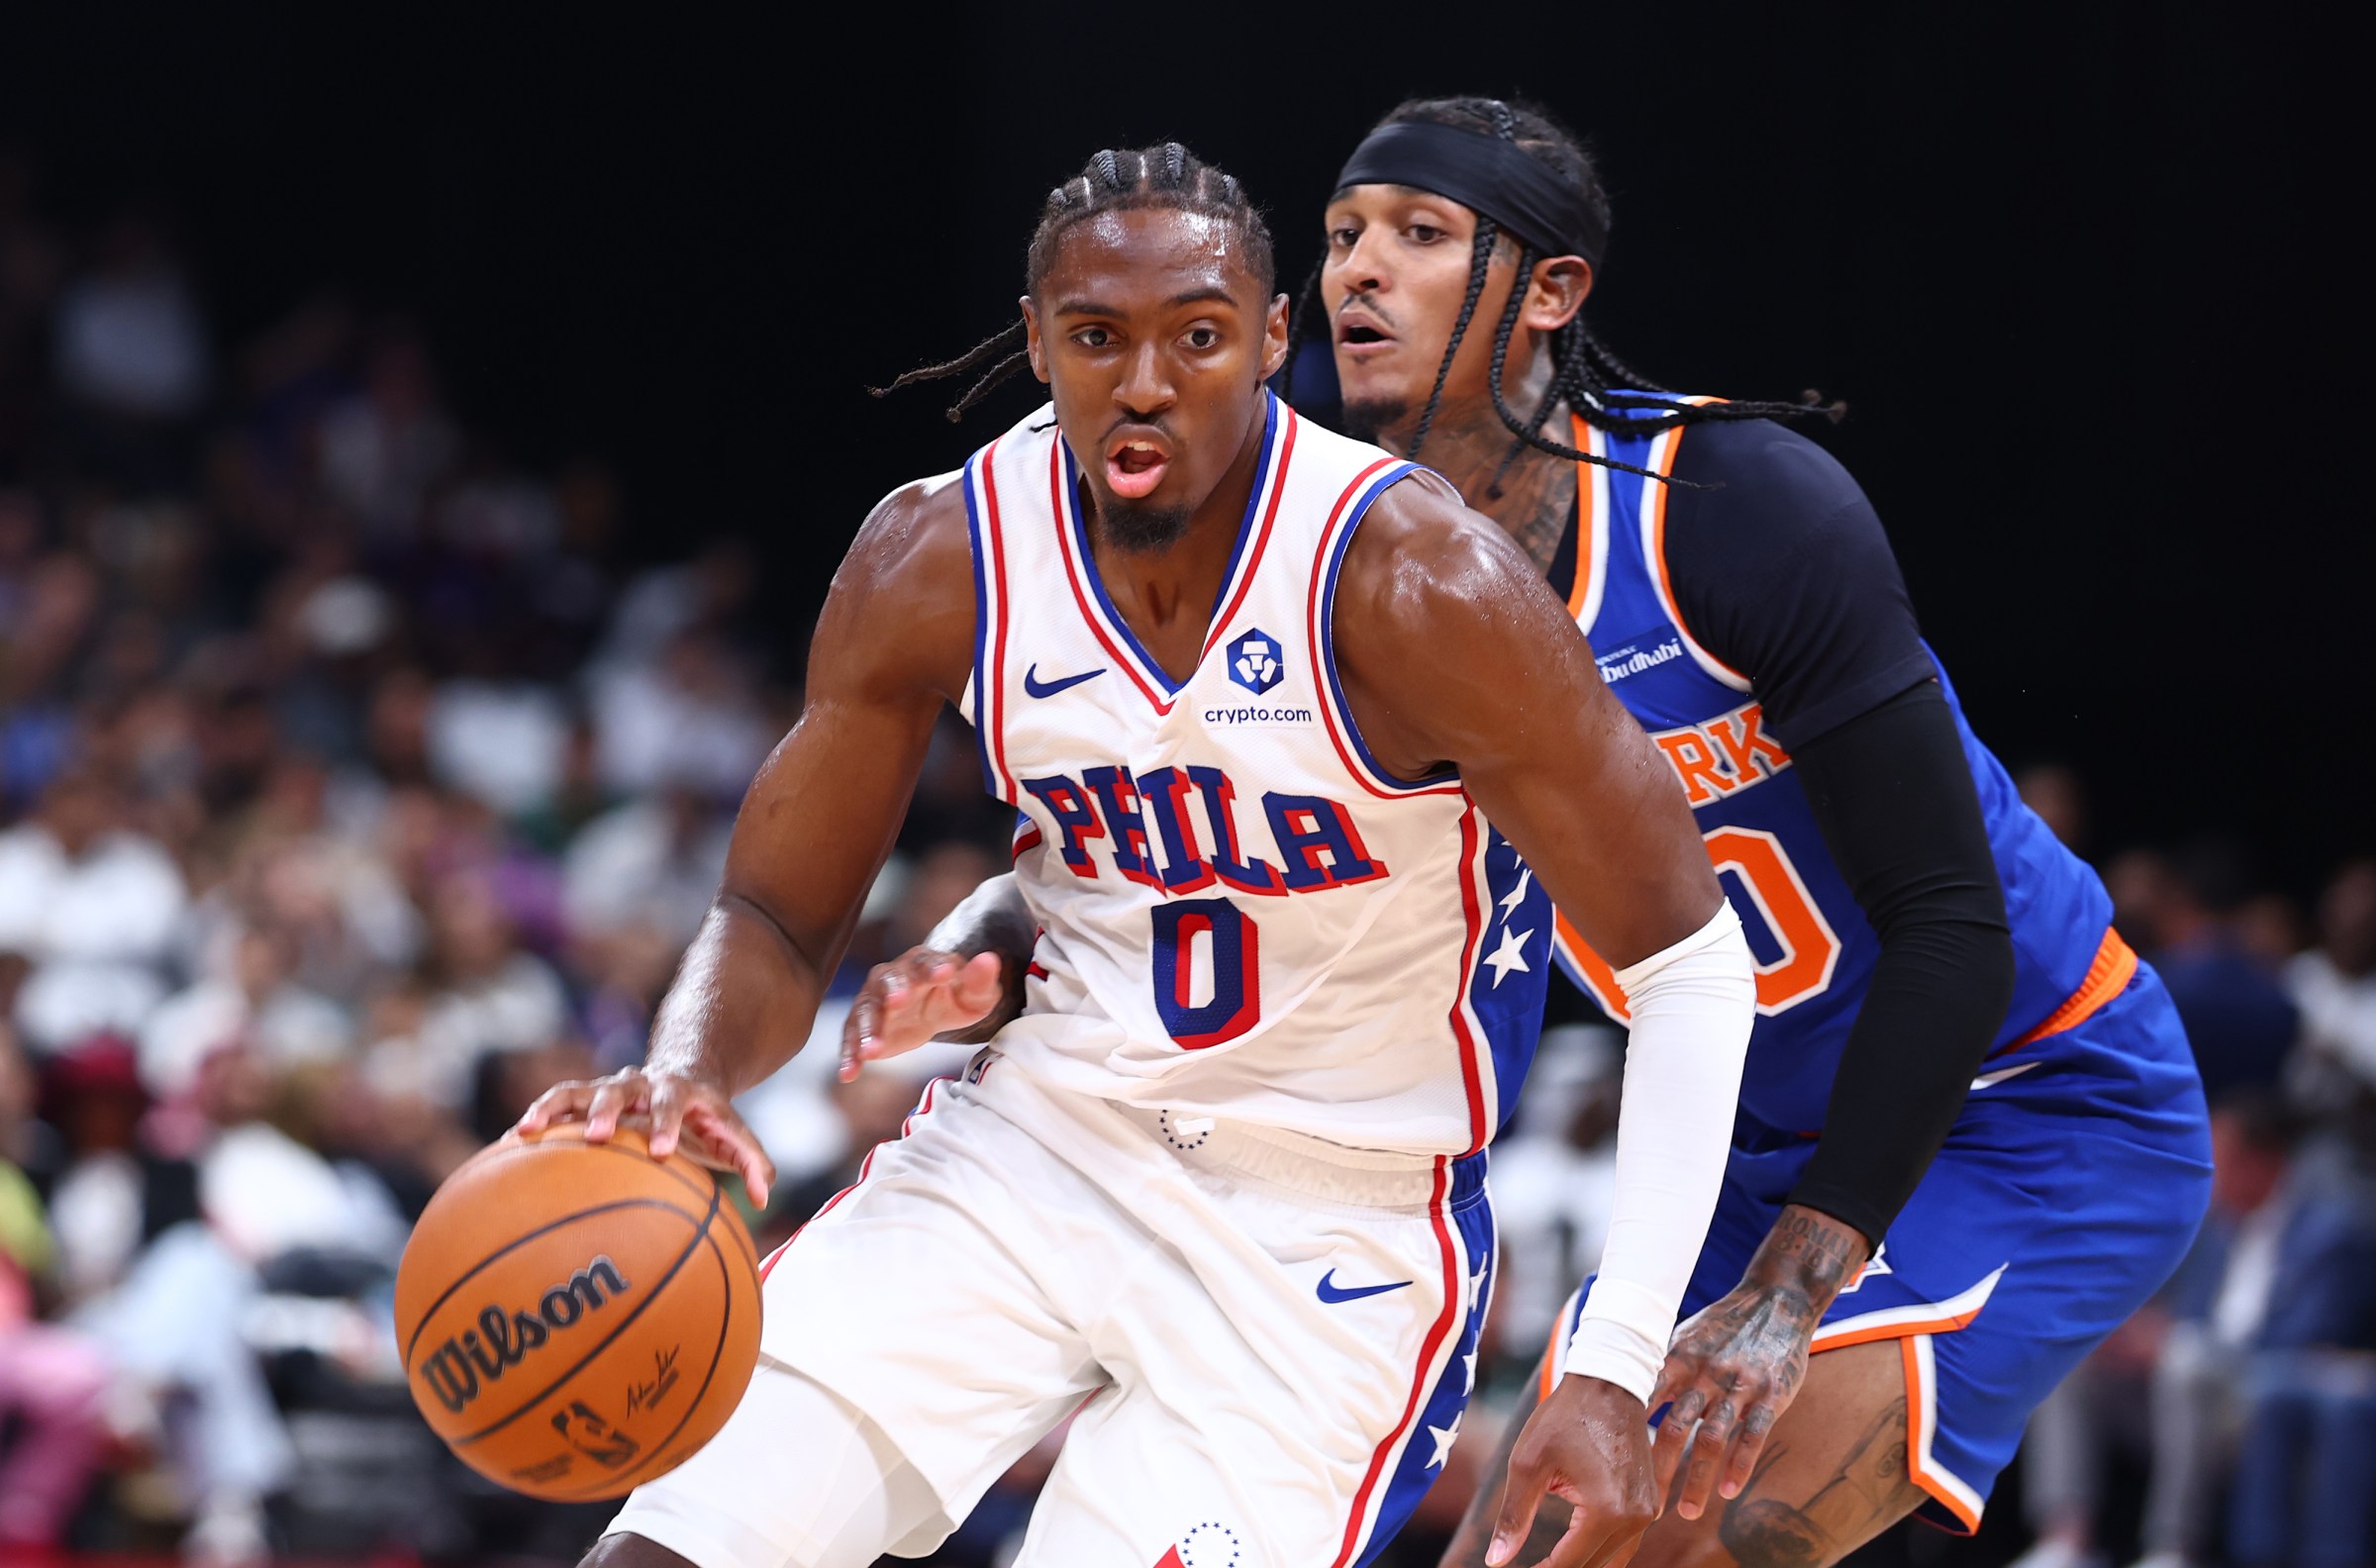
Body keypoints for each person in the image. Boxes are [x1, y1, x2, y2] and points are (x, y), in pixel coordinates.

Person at [859, 101, 2215, 1567]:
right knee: (1523, 1548)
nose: (1359, 271)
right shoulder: (1325, 542)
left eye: (1420, 236)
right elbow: (1173, 835)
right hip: (1743, 1135)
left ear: (1552, 295)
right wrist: (999, 931)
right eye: (1340, 239)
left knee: (1706, 1530)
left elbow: (1954, 924)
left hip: (2030, 1099)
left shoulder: (1734, 512)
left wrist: (1783, 1295)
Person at [518, 145, 1758, 1568]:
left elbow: (1687, 962)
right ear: (1038, 341)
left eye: (1200, 336)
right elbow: (776, 912)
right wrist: (682, 1070)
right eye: (1099, 339)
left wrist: (1610, 1359)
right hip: (1034, 1149)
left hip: (1326, 1231)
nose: (1148, 383)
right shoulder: (940, 557)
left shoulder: (1414, 581)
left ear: (1274, 338)